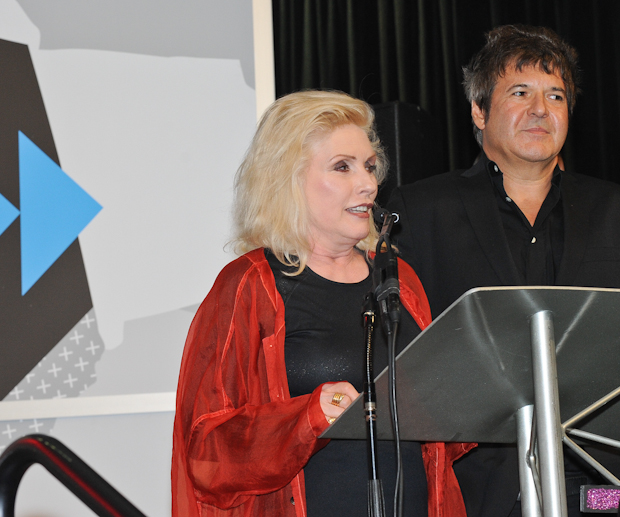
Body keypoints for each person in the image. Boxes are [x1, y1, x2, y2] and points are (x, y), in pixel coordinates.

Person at [386, 25, 620, 517]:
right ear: (479, 111)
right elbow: (406, 361)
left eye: (556, 95)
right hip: (481, 488)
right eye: (520, 93)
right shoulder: (420, 212)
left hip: (609, 486)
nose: (541, 109)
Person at [171, 90, 473, 517]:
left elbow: (439, 438)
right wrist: (306, 417)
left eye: (369, 166)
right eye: (342, 167)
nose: (368, 183)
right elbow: (206, 451)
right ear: (287, 179)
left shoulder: (398, 279)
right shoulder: (249, 285)